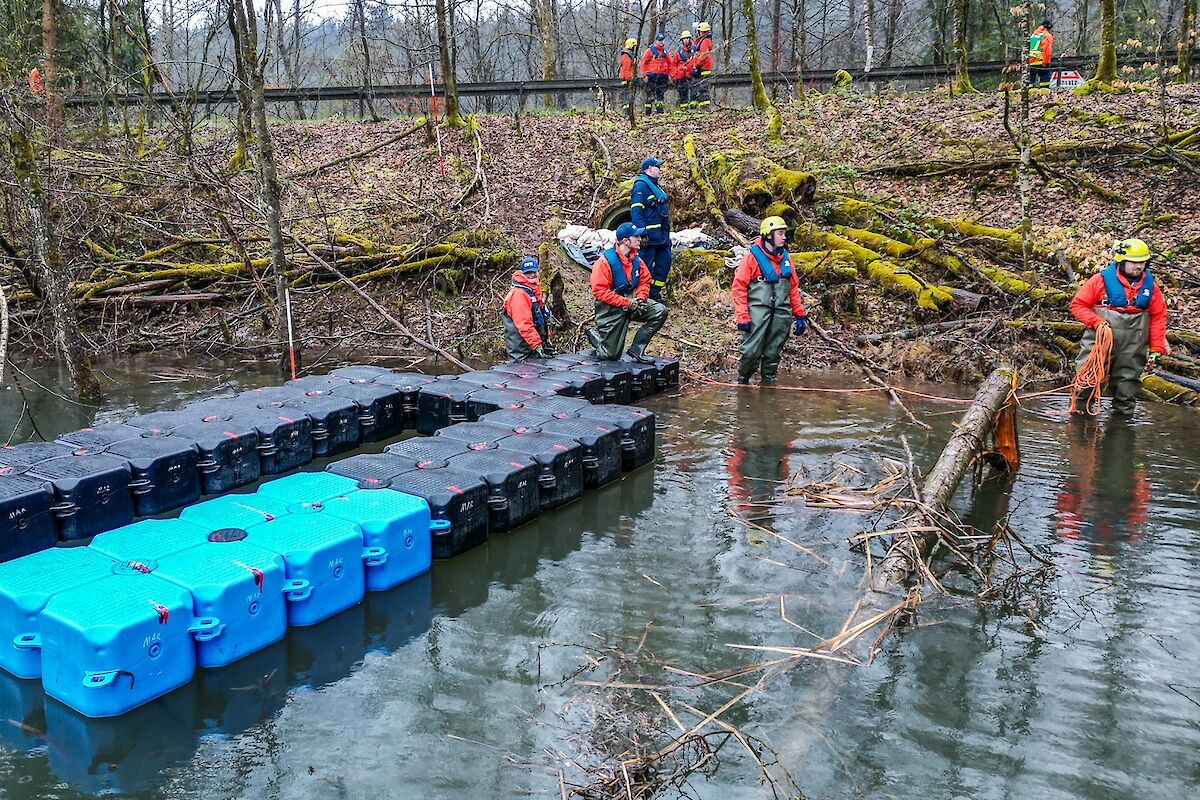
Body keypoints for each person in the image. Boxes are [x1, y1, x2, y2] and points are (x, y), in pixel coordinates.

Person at [1069, 238, 1169, 417]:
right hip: (1099, 341)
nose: (1138, 267)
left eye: (1142, 262)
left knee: (1127, 386)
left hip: (1133, 345)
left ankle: (1122, 430)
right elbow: (1078, 305)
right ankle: (1079, 424)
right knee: (1088, 381)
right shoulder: (1099, 281)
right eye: (1133, 262)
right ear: (1121, 261)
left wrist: (1157, 348)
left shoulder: (1151, 288)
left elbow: (1159, 317)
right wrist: (1097, 321)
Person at [731, 216, 808, 385]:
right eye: (780, 233)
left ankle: (769, 384)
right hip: (758, 311)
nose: (784, 237)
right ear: (768, 235)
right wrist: (743, 317)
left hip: (781, 313)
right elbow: (739, 288)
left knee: (773, 353)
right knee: (751, 352)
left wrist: (800, 315)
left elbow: (793, 288)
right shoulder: (751, 259)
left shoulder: (786, 260)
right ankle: (742, 383)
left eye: (784, 233)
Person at [585, 222, 668, 363]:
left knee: (660, 311)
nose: (640, 239)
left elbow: (645, 281)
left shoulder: (637, 259)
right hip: (611, 309)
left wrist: (641, 298)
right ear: (625, 241)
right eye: (636, 236)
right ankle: (597, 339)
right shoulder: (604, 262)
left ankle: (637, 349)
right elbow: (600, 292)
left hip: (633, 303)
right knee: (610, 355)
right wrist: (627, 303)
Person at [629, 156, 672, 301]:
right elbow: (636, 211)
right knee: (645, 267)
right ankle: (643, 295)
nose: (660, 169)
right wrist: (642, 234)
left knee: (664, 263)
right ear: (649, 169)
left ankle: (654, 292)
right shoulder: (641, 186)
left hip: (662, 237)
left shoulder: (655, 186)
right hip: (650, 238)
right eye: (658, 167)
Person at [501, 256, 556, 362]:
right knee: (523, 377)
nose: (531, 275)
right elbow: (525, 325)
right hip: (521, 352)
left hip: (532, 347)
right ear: (522, 274)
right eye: (528, 273)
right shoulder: (519, 294)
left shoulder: (534, 289)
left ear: (538, 272)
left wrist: (545, 341)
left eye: (534, 272)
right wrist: (537, 345)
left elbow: (540, 317)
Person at [640, 34, 671, 115]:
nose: (661, 42)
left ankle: (660, 112)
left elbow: (670, 63)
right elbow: (643, 63)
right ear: (656, 41)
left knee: (660, 95)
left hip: (663, 76)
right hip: (652, 76)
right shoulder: (649, 51)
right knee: (650, 95)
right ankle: (648, 113)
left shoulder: (665, 52)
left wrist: (670, 75)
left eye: (662, 40)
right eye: (660, 40)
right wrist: (644, 75)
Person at [692, 22, 714, 109]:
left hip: (704, 67)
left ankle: (705, 108)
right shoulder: (706, 40)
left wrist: (697, 65)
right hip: (705, 67)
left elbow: (703, 55)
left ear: (701, 31)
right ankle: (703, 107)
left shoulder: (704, 41)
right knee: (701, 87)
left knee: (703, 88)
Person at [673, 32, 696, 109]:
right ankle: (684, 109)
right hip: (681, 76)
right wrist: (675, 76)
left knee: (694, 92)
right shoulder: (679, 51)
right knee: (683, 94)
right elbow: (674, 64)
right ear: (682, 40)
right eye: (684, 39)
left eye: (687, 38)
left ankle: (693, 109)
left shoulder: (695, 50)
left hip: (692, 74)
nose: (686, 40)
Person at [1028, 19, 1054, 88]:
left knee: (1030, 81)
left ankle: (1029, 94)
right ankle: (1044, 94)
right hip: (1040, 61)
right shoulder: (1047, 36)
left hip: (1030, 61)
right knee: (1045, 80)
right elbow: (1047, 51)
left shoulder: (1033, 35)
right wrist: (1046, 62)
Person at [618, 38, 638, 113]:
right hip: (628, 79)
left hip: (629, 78)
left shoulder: (629, 55)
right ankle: (627, 112)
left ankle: (629, 111)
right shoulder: (627, 56)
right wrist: (629, 79)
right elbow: (626, 68)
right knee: (627, 96)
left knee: (630, 96)